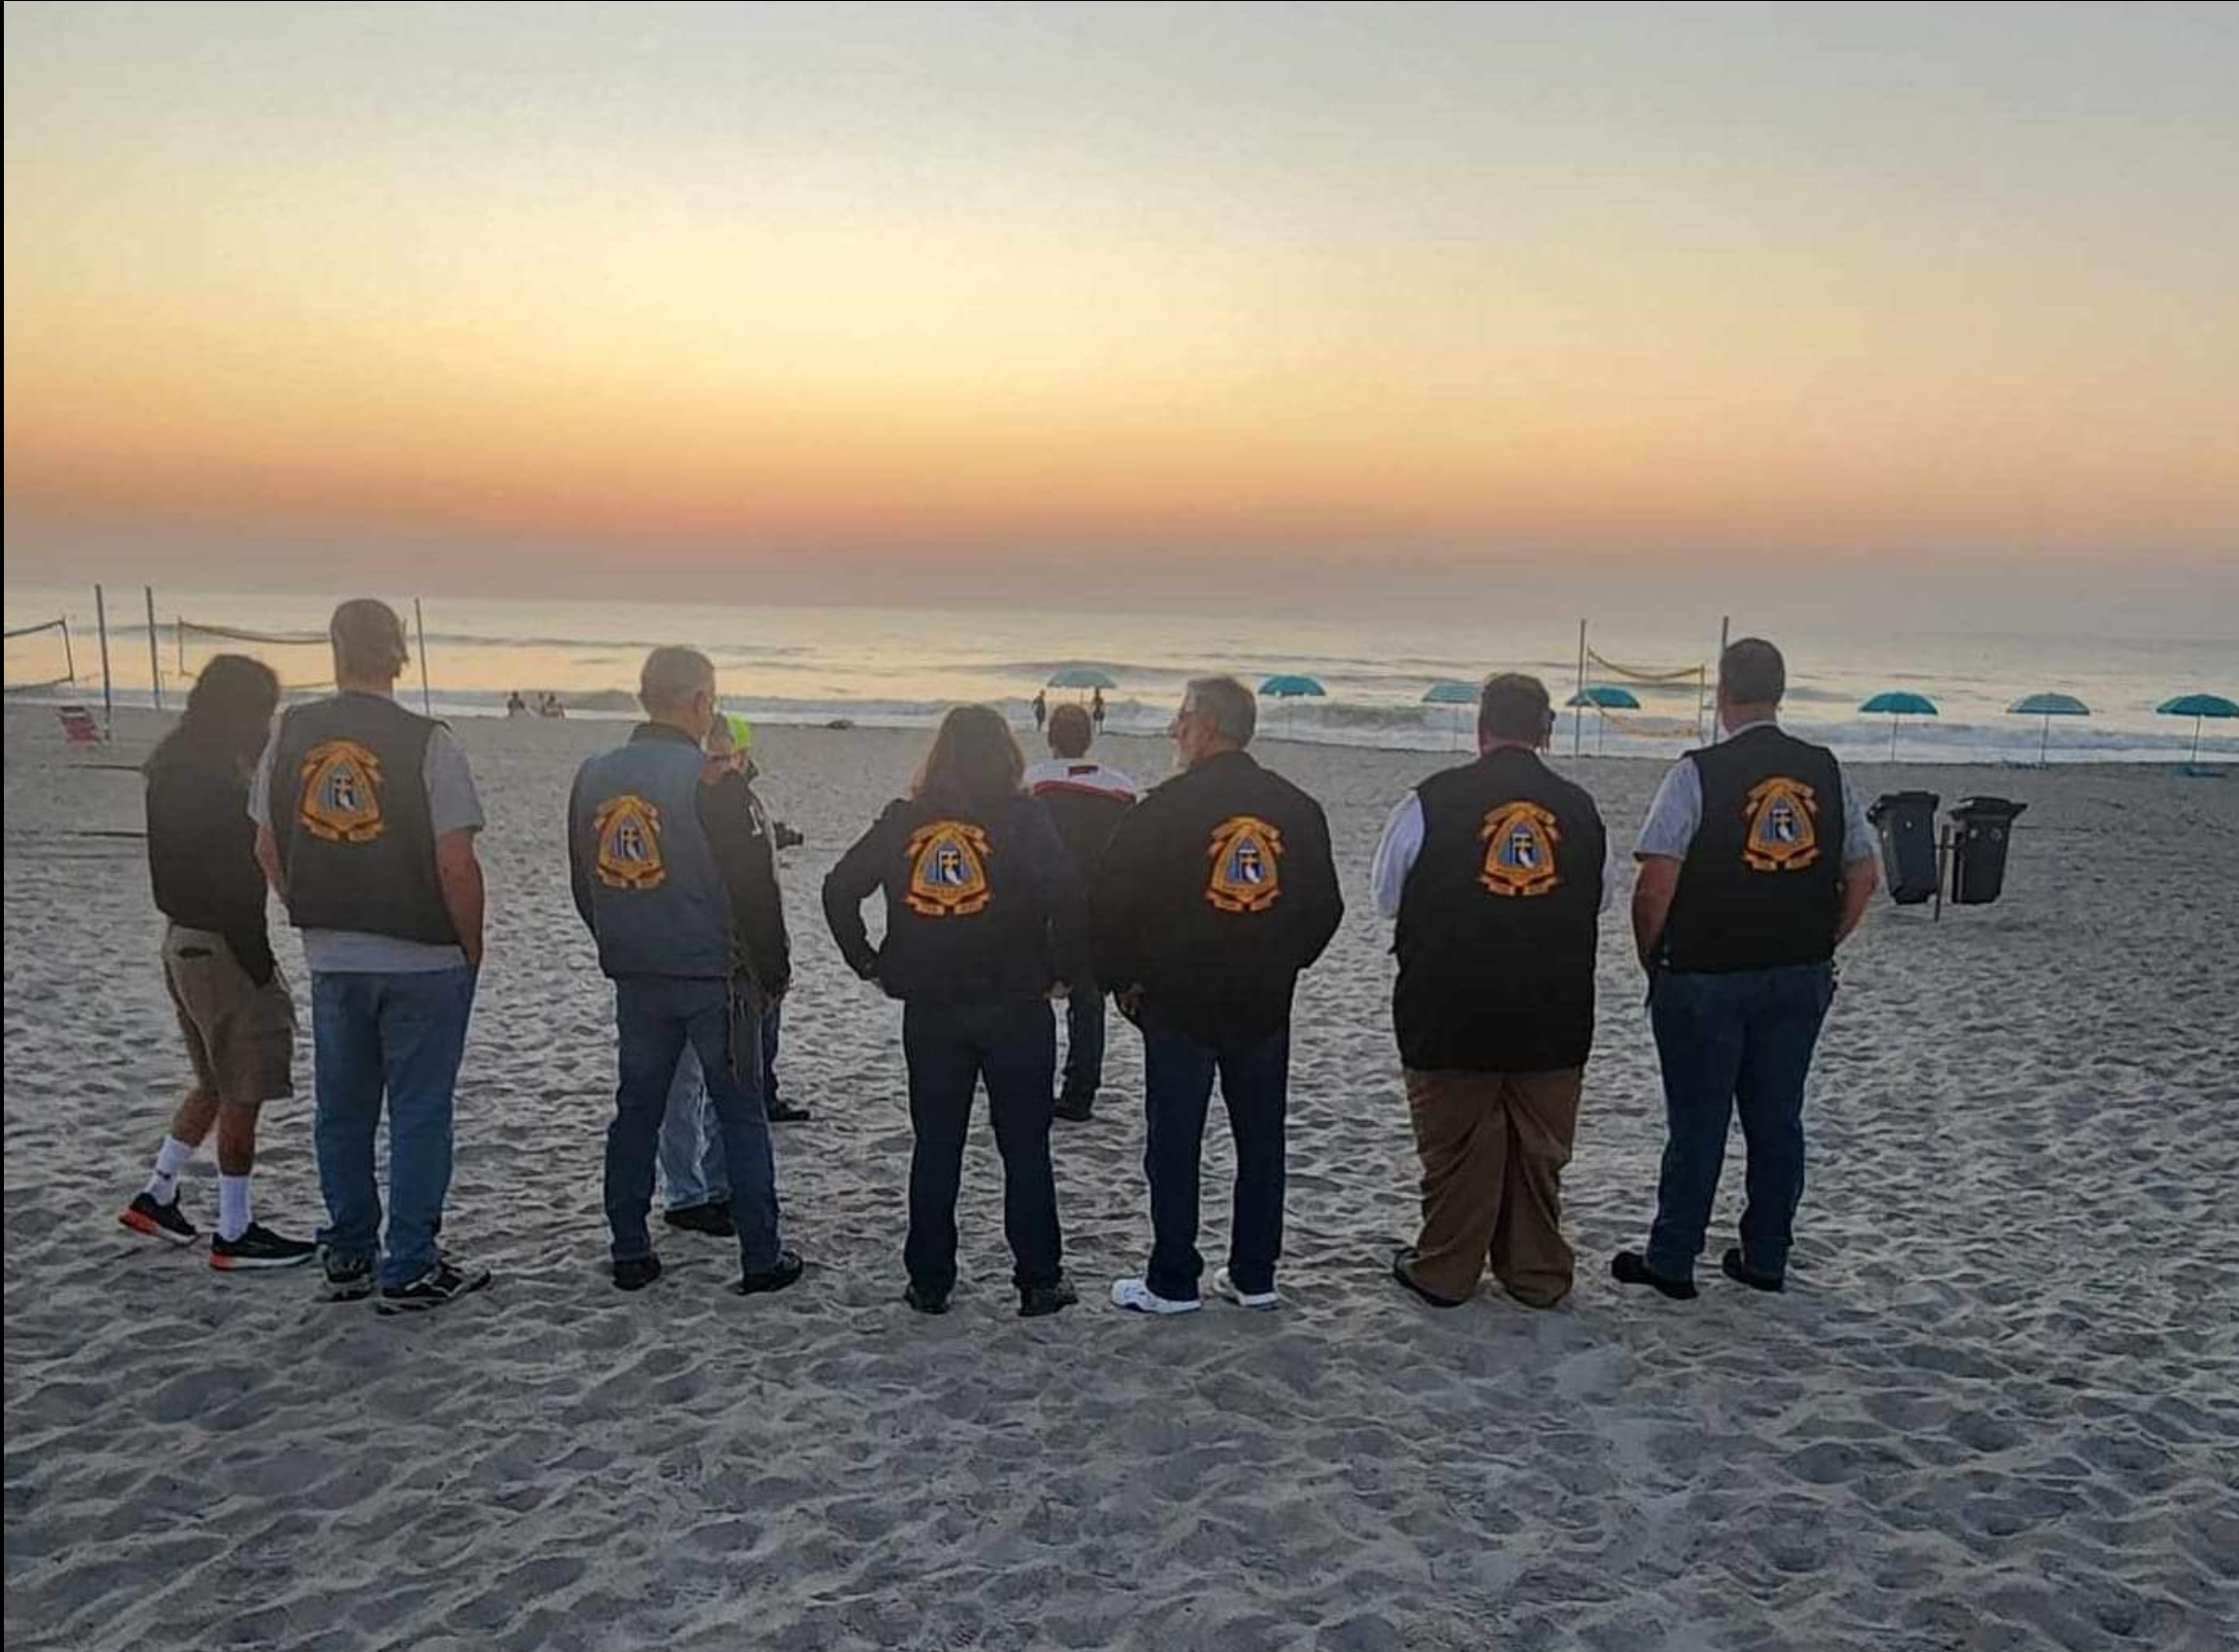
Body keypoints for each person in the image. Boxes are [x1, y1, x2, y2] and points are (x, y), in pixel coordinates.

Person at [1612, 638, 1880, 1301]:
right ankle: (1765, 1256)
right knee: (1777, 1120)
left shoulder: (1696, 773)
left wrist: (1653, 957)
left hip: (1704, 971)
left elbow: (1655, 880)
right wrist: (1824, 941)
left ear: (1722, 694)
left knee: (1697, 1123)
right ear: (1779, 694)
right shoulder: (1826, 770)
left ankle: (1673, 1259)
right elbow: (1863, 874)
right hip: (1797, 970)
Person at [252, 600, 489, 1313]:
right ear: (399, 654)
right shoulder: (428, 741)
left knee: (344, 1110)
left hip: (334, 952)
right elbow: (455, 862)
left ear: (336, 650)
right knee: (418, 1112)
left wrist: (305, 904)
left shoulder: (290, 731)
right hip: (421, 953)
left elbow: (266, 844)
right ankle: (410, 1262)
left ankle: (350, 1248)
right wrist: (470, 943)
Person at [823, 706, 1085, 1317]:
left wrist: (869, 962)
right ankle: (1039, 1279)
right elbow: (1069, 894)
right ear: (1006, 756)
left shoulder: (904, 819)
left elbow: (839, 889)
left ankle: (930, 1280)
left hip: (932, 1005)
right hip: (1015, 1003)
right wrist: (1064, 972)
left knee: (936, 1144)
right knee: (1025, 1146)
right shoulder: (1022, 817)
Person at [1094, 676, 1342, 1315]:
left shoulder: (1164, 808)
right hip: (1261, 999)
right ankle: (1254, 1274)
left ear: (1205, 725)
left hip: (1180, 1000)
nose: (1174, 728)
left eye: (1181, 716)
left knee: (1175, 1142)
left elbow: (1109, 903)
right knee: (1260, 1140)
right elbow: (1323, 909)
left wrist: (1122, 977)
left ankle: (1174, 1279)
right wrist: (1283, 962)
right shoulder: (1297, 808)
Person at [1369, 674, 1606, 1310]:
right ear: (1546, 731)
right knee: (1538, 1154)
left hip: (1449, 1008)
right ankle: (1535, 1272)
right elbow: (1599, 897)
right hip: (1553, 1010)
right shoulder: (1579, 808)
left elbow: (1386, 896)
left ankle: (1445, 1268)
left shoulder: (1428, 801)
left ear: (1480, 728)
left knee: (1453, 1150)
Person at [570, 648, 802, 1297]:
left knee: (636, 1111)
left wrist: (618, 939)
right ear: (700, 702)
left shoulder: (592, 776)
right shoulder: (713, 781)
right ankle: (760, 1254)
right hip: (715, 975)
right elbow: (755, 890)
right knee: (739, 1112)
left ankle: (629, 1247)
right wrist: (773, 973)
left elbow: (585, 880)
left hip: (637, 969)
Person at [120, 655, 317, 1270]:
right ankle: (235, 1228)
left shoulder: (172, 766)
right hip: (221, 943)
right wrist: (258, 960)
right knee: (242, 1088)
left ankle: (159, 1192)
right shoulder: (218, 782)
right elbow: (241, 871)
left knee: (210, 1079)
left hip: (181, 938)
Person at [657, 713, 798, 1238]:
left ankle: (710, 1187)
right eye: (713, 756)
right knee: (706, 1084)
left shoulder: (741, 801)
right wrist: (771, 964)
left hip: (712, 959)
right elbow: (750, 889)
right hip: (715, 962)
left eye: (728, 756)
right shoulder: (703, 800)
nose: (722, 765)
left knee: (710, 1084)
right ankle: (694, 1192)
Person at [1023, 702, 1137, 1121]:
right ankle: (1079, 1093)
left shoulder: (1033, 781)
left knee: (1031, 996)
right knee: (1088, 1003)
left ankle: (1029, 1083)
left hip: (1044, 902)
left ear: (1051, 736)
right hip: (1097, 903)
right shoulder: (1120, 786)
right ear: (1088, 739)